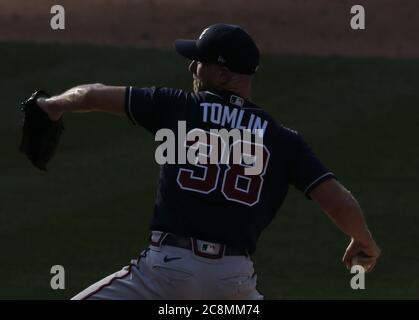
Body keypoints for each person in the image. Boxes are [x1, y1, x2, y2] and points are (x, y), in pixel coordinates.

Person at [37, 24, 380, 300]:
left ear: (222, 74)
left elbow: (91, 94)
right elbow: (338, 201)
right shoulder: (282, 138)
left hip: (165, 273)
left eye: (200, 60)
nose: (192, 66)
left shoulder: (177, 105)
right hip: (232, 281)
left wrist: (52, 105)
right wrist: (363, 241)